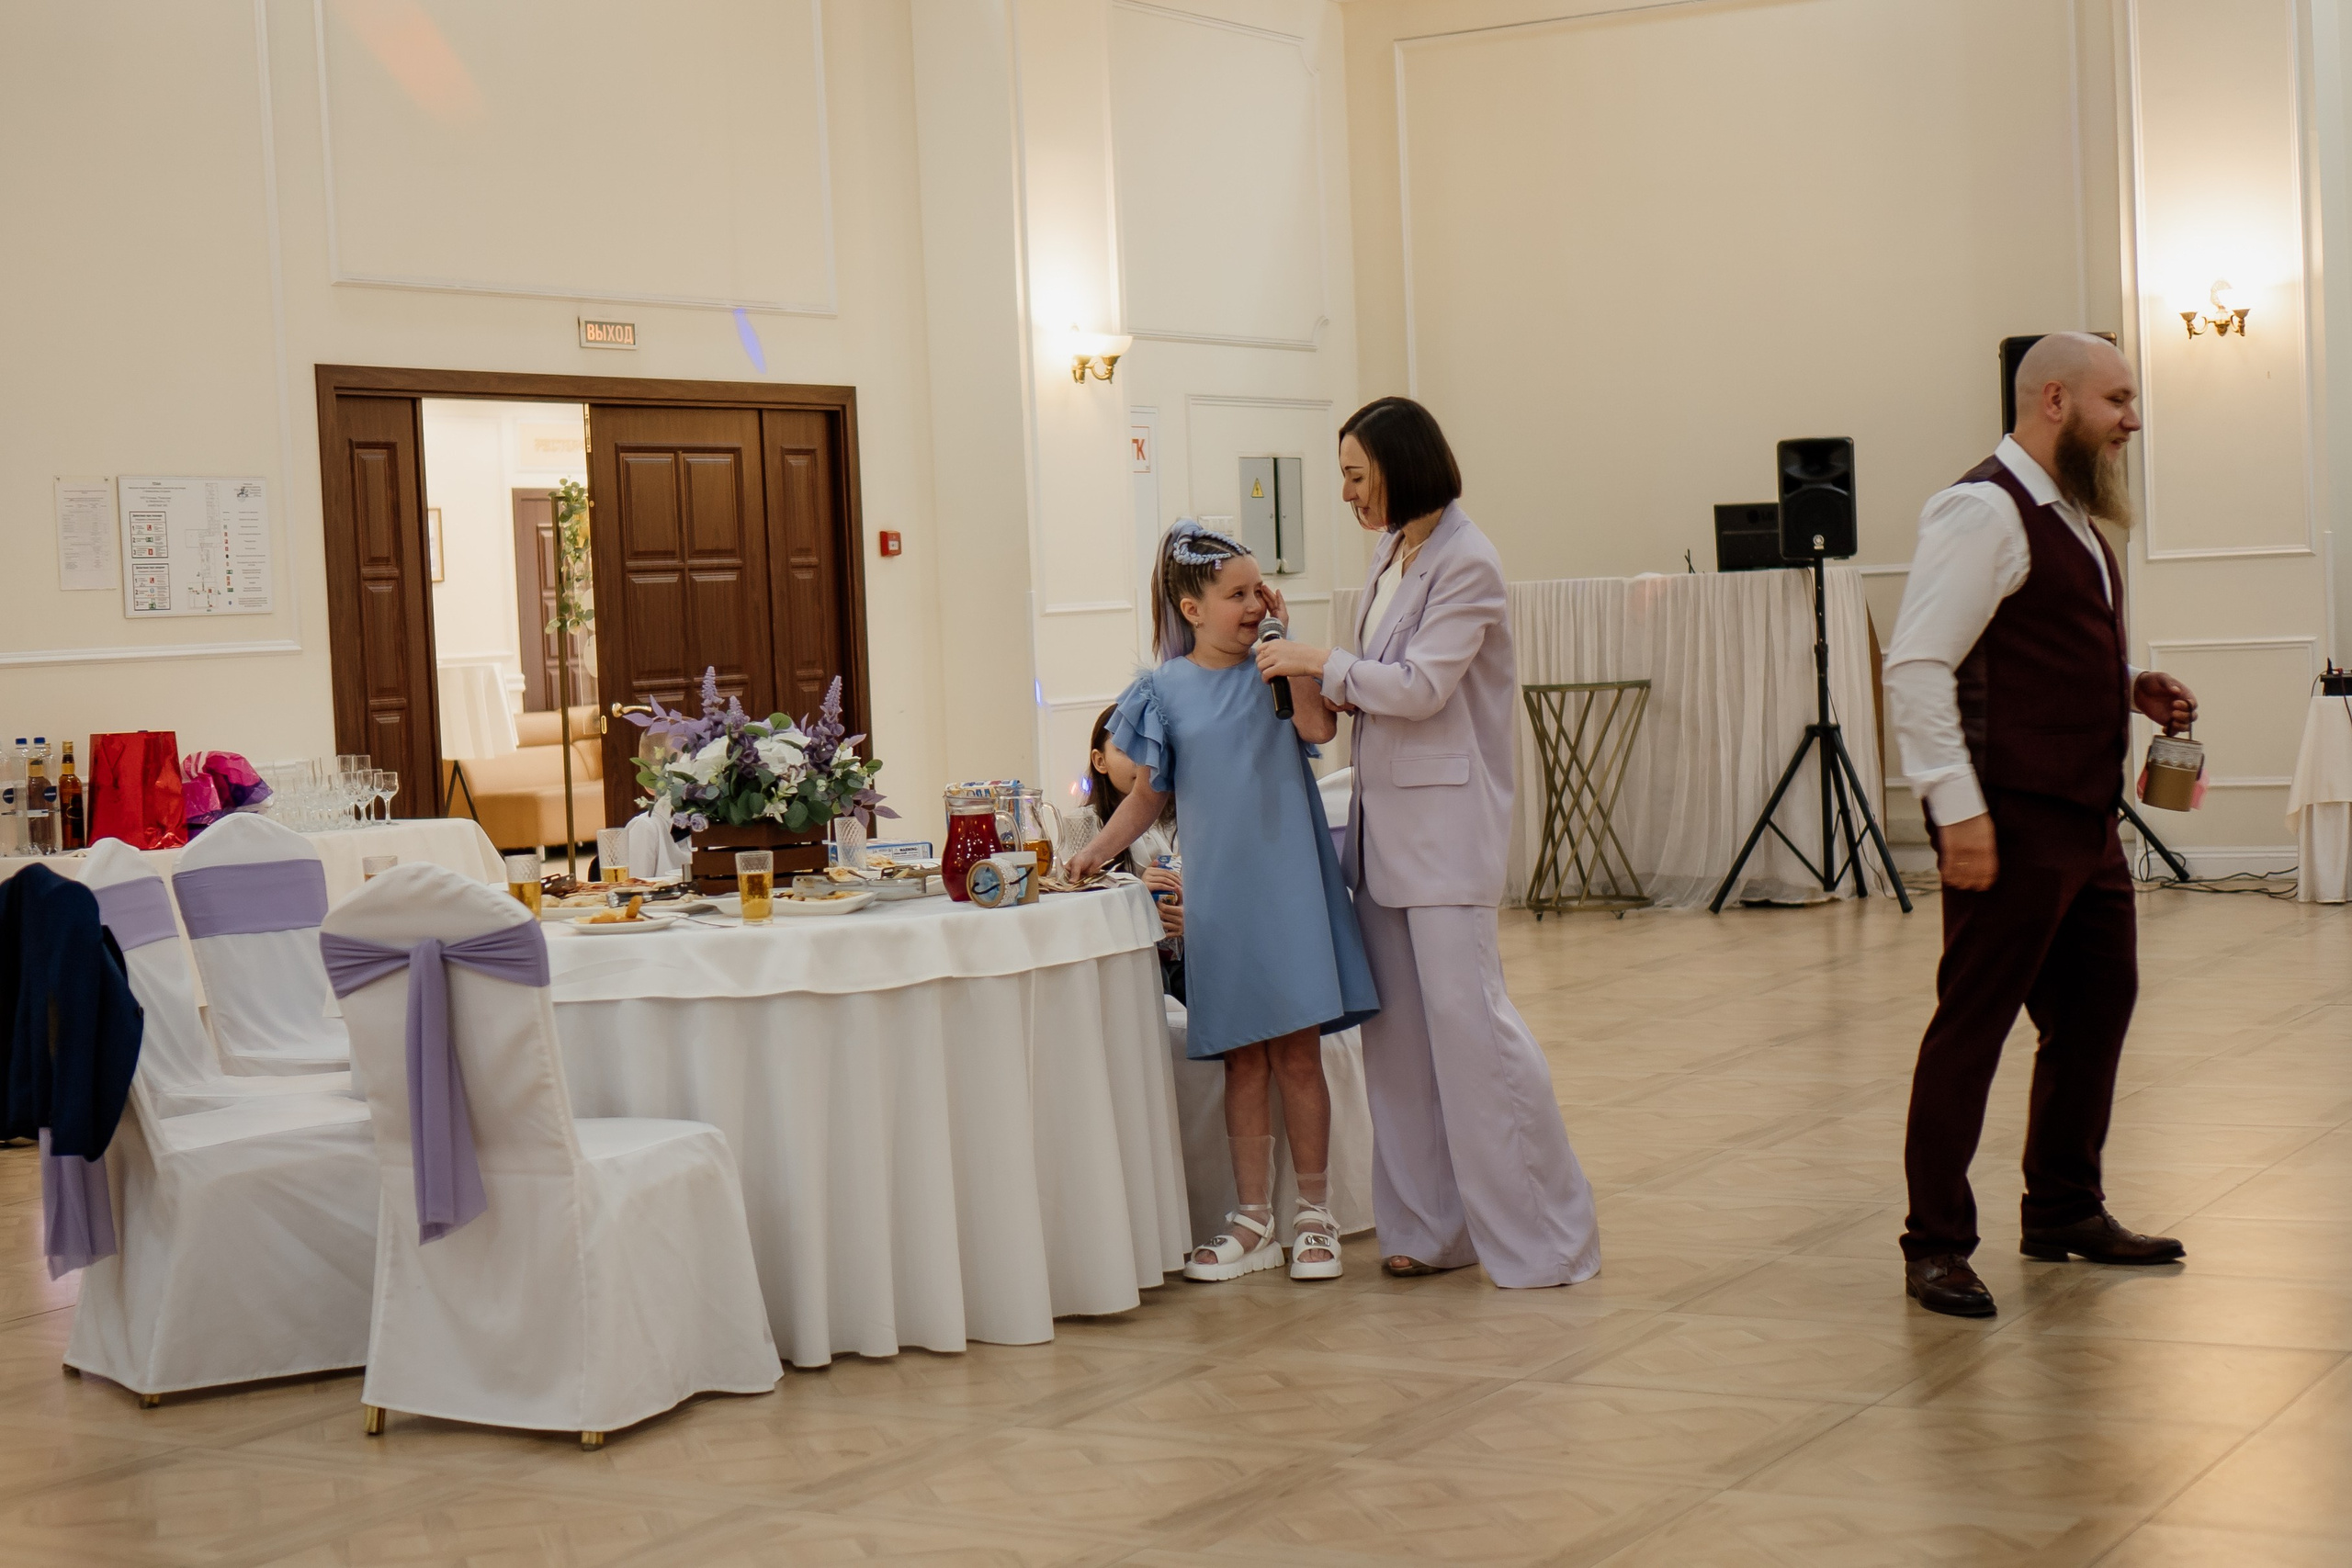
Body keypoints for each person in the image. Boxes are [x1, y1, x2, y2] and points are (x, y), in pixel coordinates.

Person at [1883, 332, 2197, 1318]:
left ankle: (2062, 1207)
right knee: (1969, 1028)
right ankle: (1934, 1242)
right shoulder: (1981, 509)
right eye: (2118, 400)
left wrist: (2127, 686)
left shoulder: (2070, 518)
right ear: (2053, 400)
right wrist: (1957, 810)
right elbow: (1919, 665)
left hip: (2082, 821)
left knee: (2095, 1013)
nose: (2132, 420)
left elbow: (2028, 646)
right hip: (2009, 820)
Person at [1254, 397, 1600, 1289]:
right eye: (1342, 476)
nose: (1344, 493)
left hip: (1448, 838)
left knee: (1473, 1033)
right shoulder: (1387, 554)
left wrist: (1316, 661)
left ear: (1403, 467)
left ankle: (1545, 1237)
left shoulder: (1469, 563)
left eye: (1355, 476)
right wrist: (1305, 659)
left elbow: (1419, 688)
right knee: (1398, 1043)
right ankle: (1427, 1228)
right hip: (1383, 837)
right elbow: (1363, 691)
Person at [1067, 522, 1378, 1282]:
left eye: (1256, 590)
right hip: (1224, 902)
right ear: (1191, 607)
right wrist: (1096, 850)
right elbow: (1149, 795)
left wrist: (1286, 641)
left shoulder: (1276, 667)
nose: (1250, 604)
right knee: (1244, 1061)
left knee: (1299, 1055)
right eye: (1234, 595)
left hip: (1292, 891)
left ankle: (1313, 1211)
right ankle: (1252, 1219)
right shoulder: (1162, 692)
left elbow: (1315, 725)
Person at [1067, 705, 1186, 998]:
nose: (1142, 763)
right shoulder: (1087, 828)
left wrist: (1190, 917)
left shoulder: (1183, 820)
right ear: (1100, 760)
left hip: (1189, 958)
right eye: (1127, 750)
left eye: (1149, 749)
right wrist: (1136, 890)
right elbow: (1079, 913)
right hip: (1129, 964)